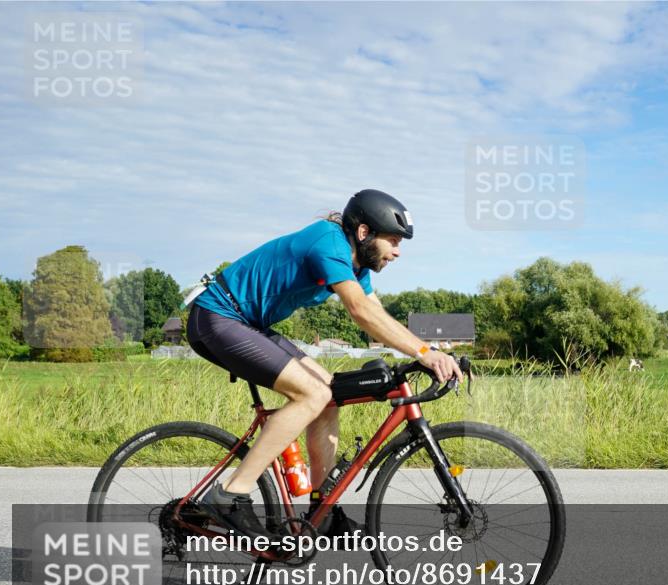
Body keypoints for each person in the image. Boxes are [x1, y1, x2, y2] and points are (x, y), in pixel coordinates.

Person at [186, 189, 464, 539]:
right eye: (393, 241)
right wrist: (424, 353)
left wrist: (427, 351)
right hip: (218, 317)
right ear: (364, 233)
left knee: (328, 393)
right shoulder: (329, 244)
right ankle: (229, 495)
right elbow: (360, 312)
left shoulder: (356, 264)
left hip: (247, 324)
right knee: (311, 395)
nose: (397, 252)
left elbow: (376, 312)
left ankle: (323, 512)